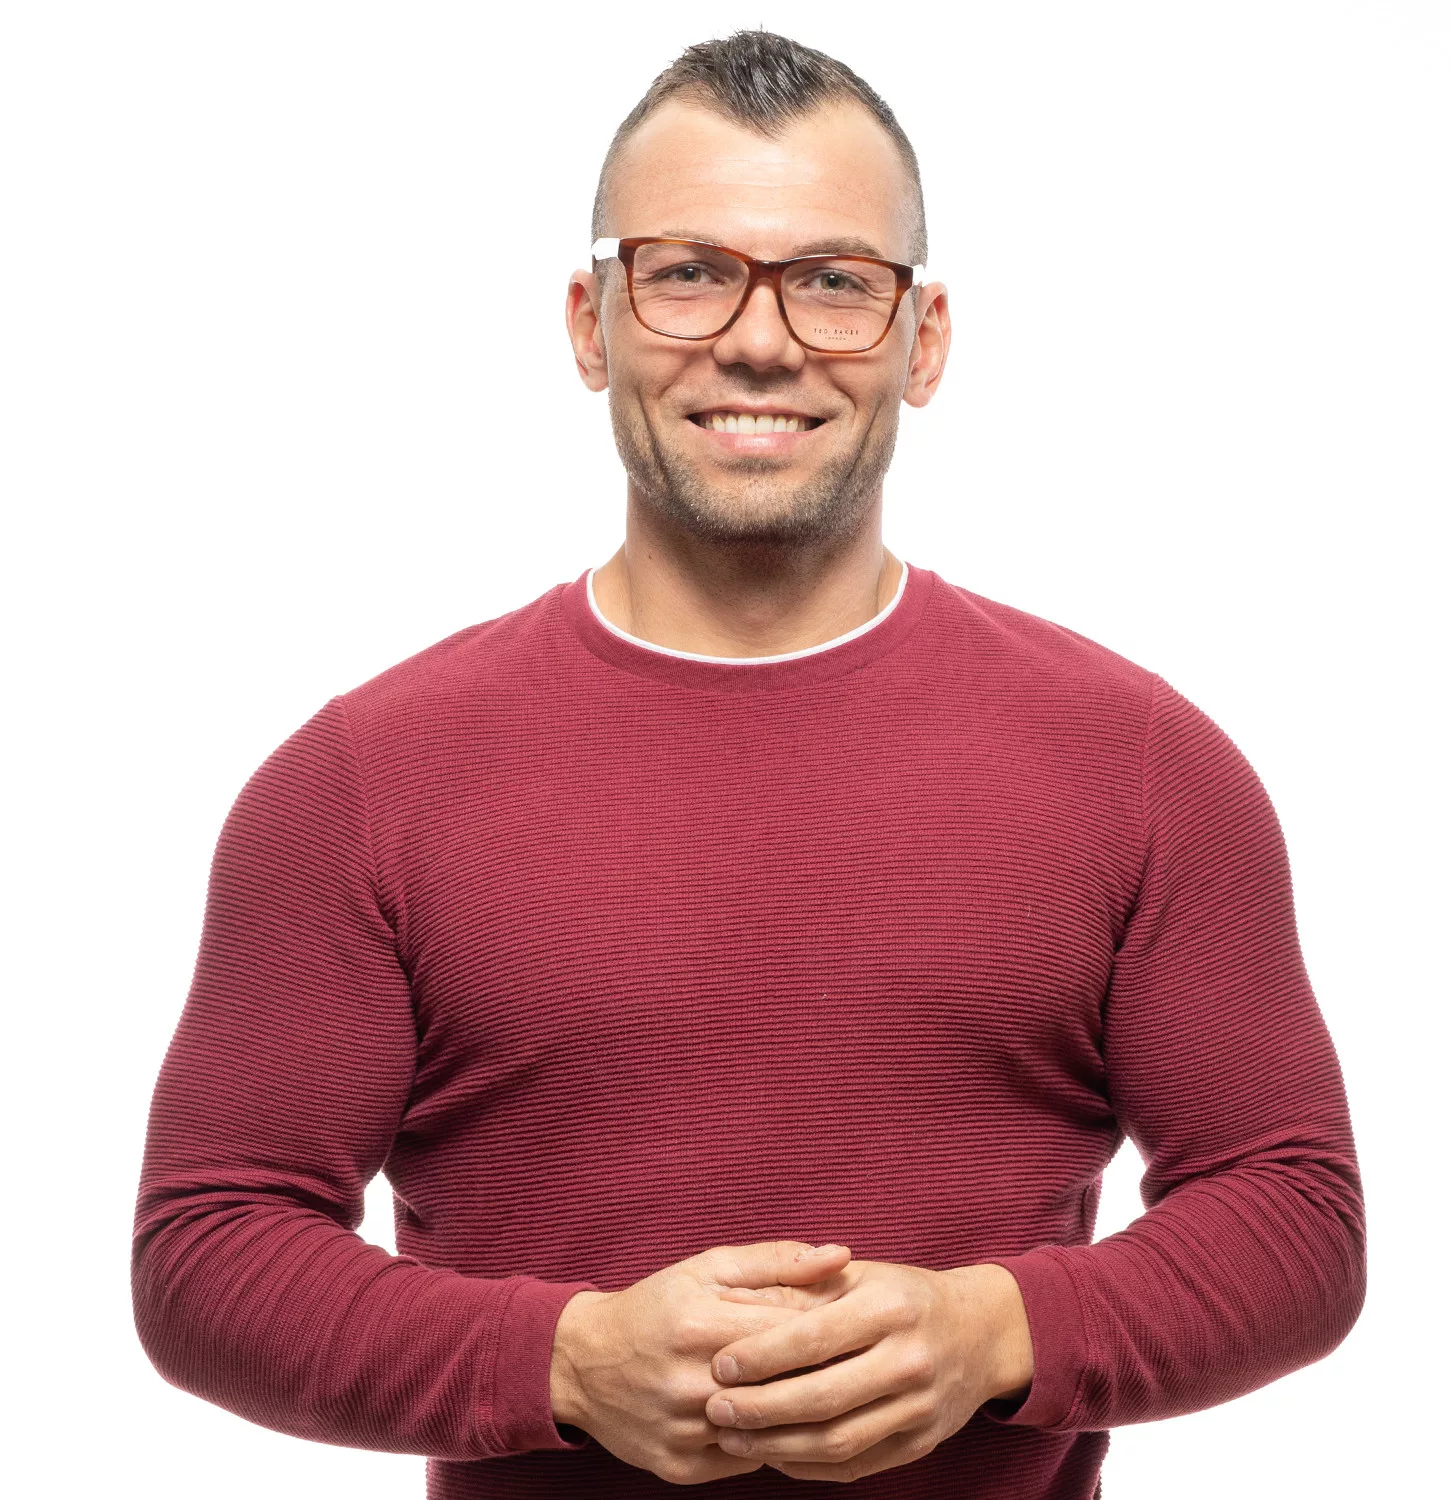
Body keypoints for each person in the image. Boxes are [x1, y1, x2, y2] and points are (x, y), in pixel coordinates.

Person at [131, 29, 1367, 1500]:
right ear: (590, 323)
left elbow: (1296, 1215)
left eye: (835, 280)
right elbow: (209, 1248)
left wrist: (995, 1334)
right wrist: (562, 1365)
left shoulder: (1141, 764)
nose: (763, 342)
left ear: (925, 339)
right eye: (689, 272)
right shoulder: (358, 783)